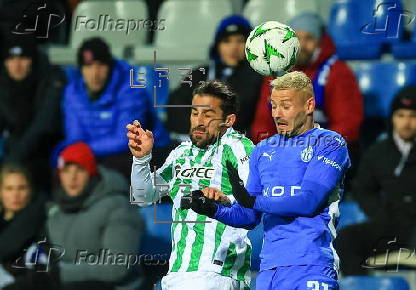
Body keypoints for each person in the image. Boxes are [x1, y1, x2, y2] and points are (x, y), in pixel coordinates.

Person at [187, 72, 351, 289]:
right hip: (269, 271)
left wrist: (252, 201)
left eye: (285, 106)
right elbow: (248, 216)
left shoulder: (330, 143)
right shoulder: (263, 149)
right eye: (273, 106)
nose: (277, 114)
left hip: (312, 264)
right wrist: (213, 209)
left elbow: (308, 201)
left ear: (309, 105)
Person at [127, 80, 254, 289]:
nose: (199, 121)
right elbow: (142, 197)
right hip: (177, 273)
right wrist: (141, 159)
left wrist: (225, 199)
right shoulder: (180, 153)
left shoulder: (239, 147)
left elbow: (253, 202)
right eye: (195, 113)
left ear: (228, 120)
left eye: (208, 115)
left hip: (217, 273)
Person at [336, 86, 416, 288]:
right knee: (347, 239)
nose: (406, 123)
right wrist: (379, 212)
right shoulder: (379, 151)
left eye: (413, 116)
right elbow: (363, 188)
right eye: (400, 115)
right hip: (390, 224)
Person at [60, 37, 170, 177]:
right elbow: (75, 137)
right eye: (88, 66)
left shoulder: (131, 88)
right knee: (65, 165)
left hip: (147, 152)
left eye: (100, 65)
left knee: (109, 167)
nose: (95, 73)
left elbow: (126, 139)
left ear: (110, 66)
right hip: (99, 154)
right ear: (81, 69)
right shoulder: (72, 92)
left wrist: (84, 150)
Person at [251, 12, 363, 145]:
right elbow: (262, 122)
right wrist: (271, 150)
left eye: (309, 38)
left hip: (324, 151)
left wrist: (311, 149)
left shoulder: (337, 72)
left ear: (319, 42)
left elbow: (347, 124)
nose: (302, 45)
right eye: (297, 38)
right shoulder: (275, 72)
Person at [46, 142, 143, 289]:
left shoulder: (117, 207)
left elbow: (117, 267)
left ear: (91, 173)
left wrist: (57, 274)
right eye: (66, 170)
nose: (72, 178)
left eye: (80, 170)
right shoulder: (55, 209)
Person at [167, 15, 262, 140]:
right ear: (217, 46)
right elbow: (175, 107)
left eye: (240, 41)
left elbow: (242, 112)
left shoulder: (257, 77)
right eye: (226, 41)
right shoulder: (199, 73)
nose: (233, 47)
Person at [0, 35, 65, 192]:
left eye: (23, 58)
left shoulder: (51, 78)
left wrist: (12, 161)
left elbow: (44, 125)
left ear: (32, 60)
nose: (17, 65)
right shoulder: (4, 83)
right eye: (11, 59)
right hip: (16, 145)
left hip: (48, 146)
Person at [0, 164, 52, 289]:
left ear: (31, 190)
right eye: (9, 188)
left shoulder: (41, 220)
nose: (15, 195)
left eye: (22, 188)